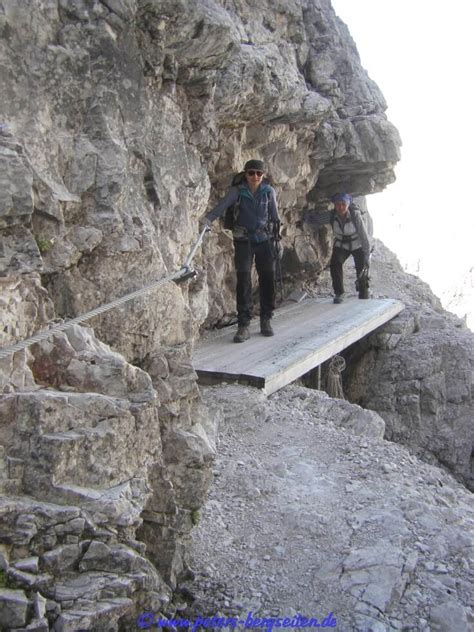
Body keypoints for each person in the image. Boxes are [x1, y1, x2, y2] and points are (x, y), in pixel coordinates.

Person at [201, 159, 280, 342]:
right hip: (243, 240)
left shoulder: (269, 192)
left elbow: (275, 217)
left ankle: (266, 319)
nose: (255, 177)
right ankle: (243, 325)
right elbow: (222, 206)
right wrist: (208, 219)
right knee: (243, 281)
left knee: (268, 278)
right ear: (245, 174)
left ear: (263, 175)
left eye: (259, 173)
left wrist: (278, 240)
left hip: (264, 239)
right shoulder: (237, 191)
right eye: (251, 173)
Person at [303, 193, 370, 303]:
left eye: (343, 204)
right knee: (335, 264)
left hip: (357, 245)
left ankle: (363, 294)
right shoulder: (332, 215)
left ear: (348, 205)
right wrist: (306, 216)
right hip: (342, 245)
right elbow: (317, 219)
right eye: (338, 205)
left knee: (362, 269)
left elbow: (363, 235)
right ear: (334, 205)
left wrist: (366, 255)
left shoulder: (355, 215)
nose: (341, 207)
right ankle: (339, 293)